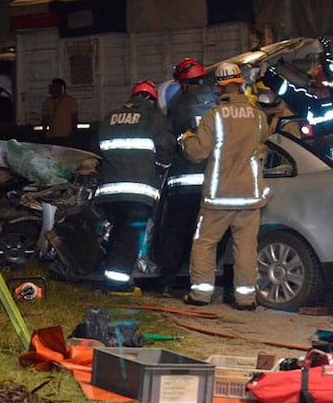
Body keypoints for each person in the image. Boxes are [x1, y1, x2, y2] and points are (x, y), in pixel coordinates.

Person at [180, 62, 271, 310]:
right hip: (249, 197)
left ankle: (200, 295)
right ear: (240, 84)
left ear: (219, 88)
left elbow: (198, 152)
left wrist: (185, 141)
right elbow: (263, 141)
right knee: (246, 248)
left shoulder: (214, 117)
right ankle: (245, 299)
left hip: (219, 197)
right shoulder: (258, 117)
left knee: (205, 243)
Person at [94, 80, 175, 290]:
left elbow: (99, 149)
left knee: (118, 233)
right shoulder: (155, 119)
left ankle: (108, 276)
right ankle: (117, 285)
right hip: (138, 193)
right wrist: (161, 166)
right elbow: (165, 149)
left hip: (108, 193)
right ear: (152, 99)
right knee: (129, 238)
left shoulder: (109, 117)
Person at [157, 58, 218, 295]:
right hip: (212, 180)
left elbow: (168, 140)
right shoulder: (216, 101)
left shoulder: (177, 104)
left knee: (175, 230)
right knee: (205, 235)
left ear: (183, 82)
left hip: (182, 182)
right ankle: (203, 280)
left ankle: (168, 280)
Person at [261, 38, 333, 136]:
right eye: (316, 89)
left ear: (331, 89)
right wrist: (267, 76)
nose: (318, 93)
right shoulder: (311, 105)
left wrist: (326, 57)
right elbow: (289, 93)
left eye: (322, 90)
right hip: (311, 148)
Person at [41, 78, 79, 146]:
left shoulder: (69, 101)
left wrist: (73, 133)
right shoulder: (48, 101)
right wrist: (44, 133)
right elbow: (45, 118)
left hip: (65, 135)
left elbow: (74, 118)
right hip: (52, 136)